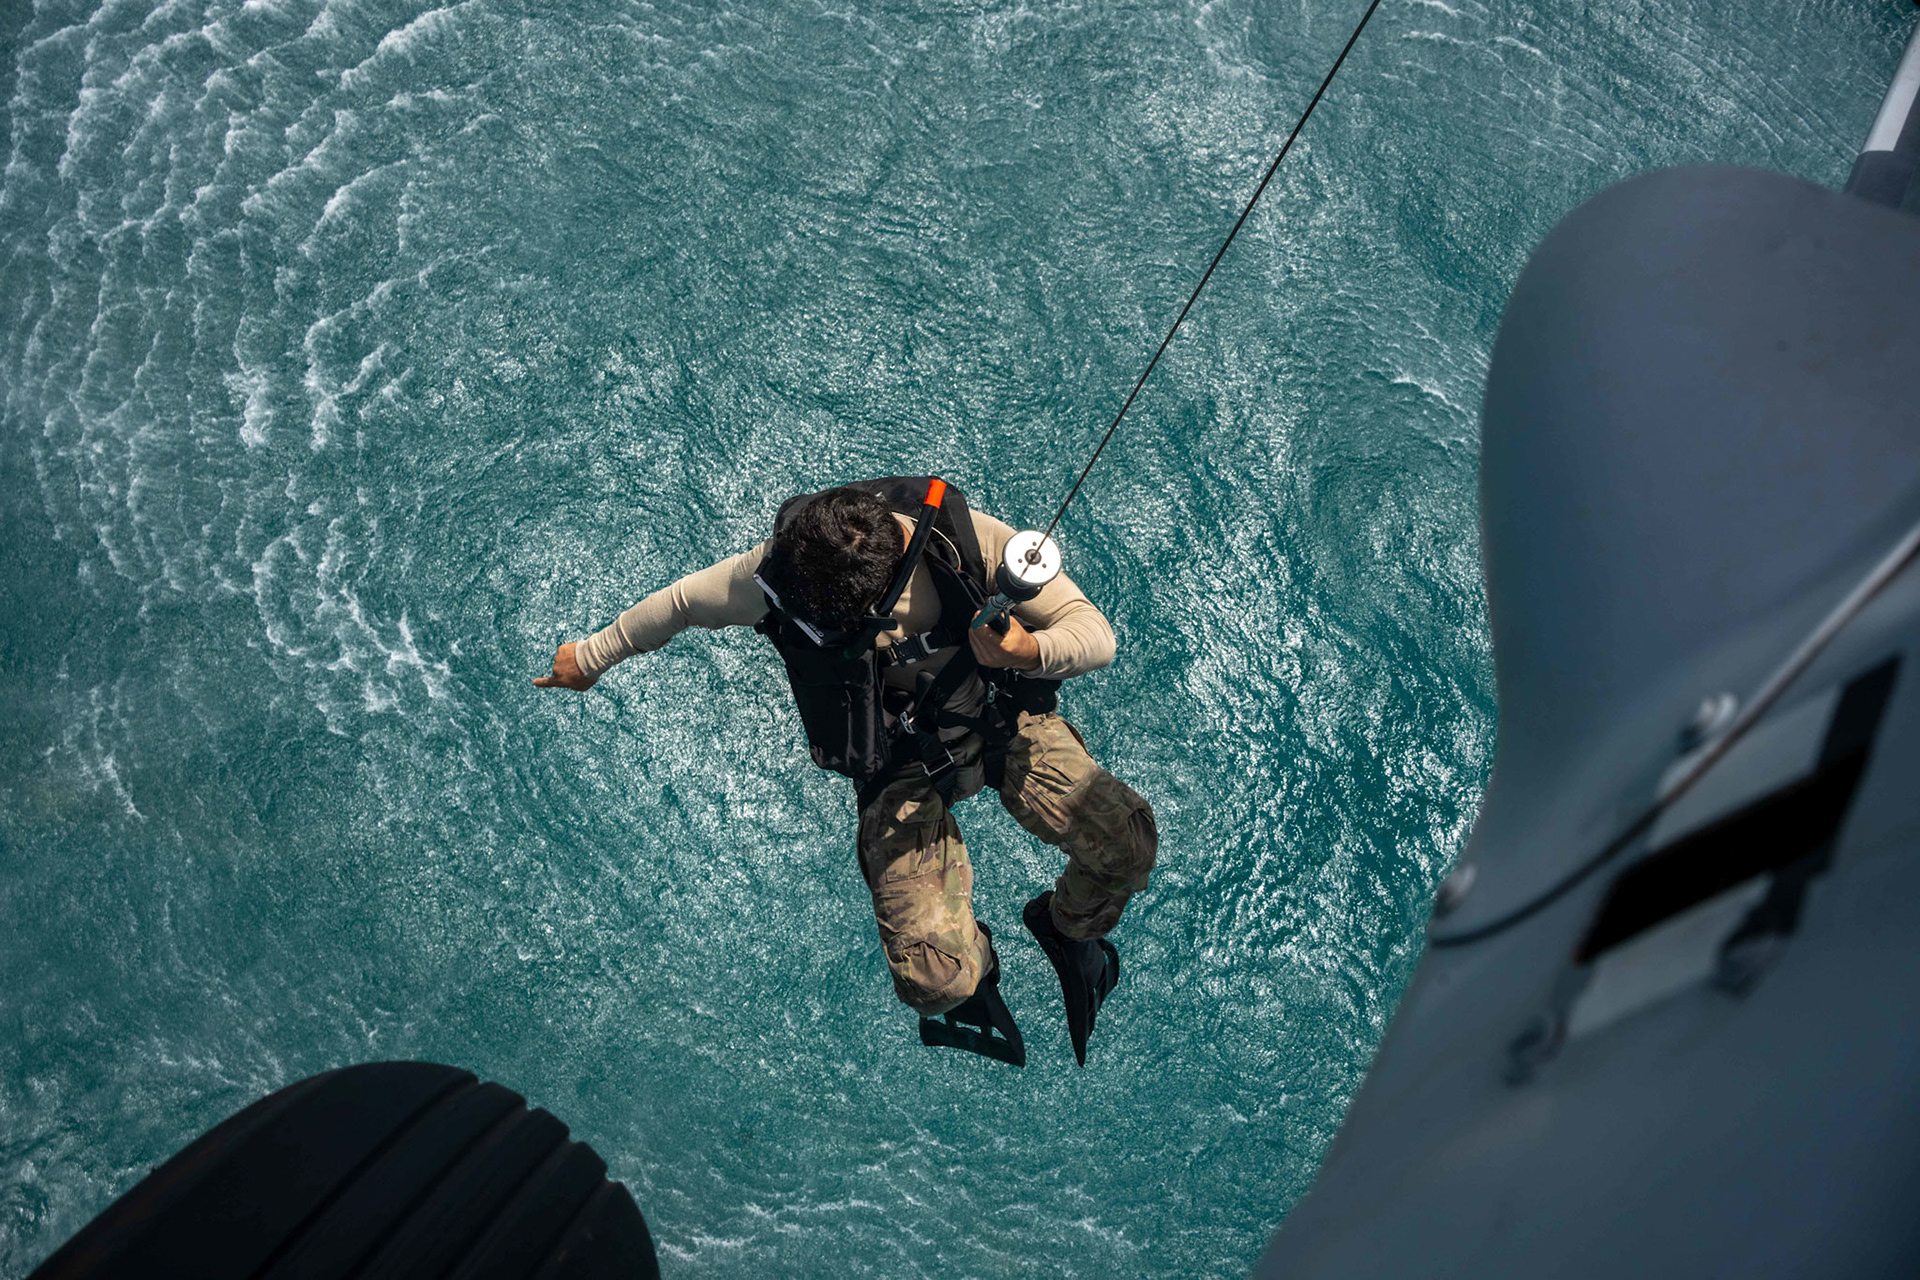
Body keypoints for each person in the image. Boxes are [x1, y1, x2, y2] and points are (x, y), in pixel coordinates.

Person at [535, 477, 1157, 1066]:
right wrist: (589, 658)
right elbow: (677, 604)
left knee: (1126, 847)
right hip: (899, 763)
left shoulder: (967, 546)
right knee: (933, 981)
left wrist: (1031, 649)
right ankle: (975, 964)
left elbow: (1095, 635)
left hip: (999, 720)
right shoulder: (780, 572)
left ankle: (1067, 929)